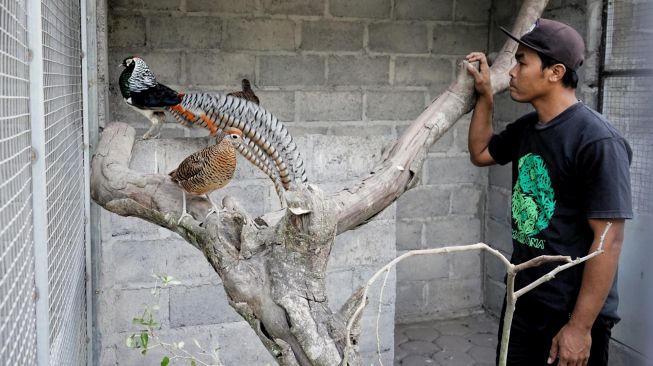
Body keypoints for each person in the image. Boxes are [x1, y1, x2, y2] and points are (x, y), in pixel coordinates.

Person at [465, 18, 633, 366]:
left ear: (555, 72)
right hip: (524, 299)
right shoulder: (529, 128)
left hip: (570, 313)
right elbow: (481, 153)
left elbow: (609, 242)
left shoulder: (597, 141)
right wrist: (484, 96)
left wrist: (579, 327)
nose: (511, 72)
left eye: (522, 62)